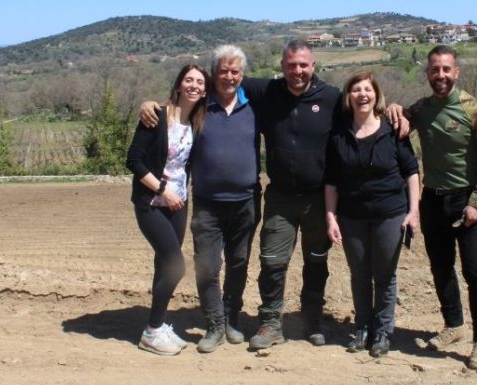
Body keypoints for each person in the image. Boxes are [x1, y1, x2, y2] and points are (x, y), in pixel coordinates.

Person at [387, 45, 477, 371]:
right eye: (435, 69)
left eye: (446, 69)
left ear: (457, 72)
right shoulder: (422, 109)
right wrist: (394, 108)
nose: (441, 75)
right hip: (433, 200)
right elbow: (399, 122)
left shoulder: (475, 110)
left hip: (466, 200)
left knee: (475, 272)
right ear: (427, 73)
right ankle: (454, 325)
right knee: (441, 269)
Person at [139, 46, 262, 353]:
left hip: (246, 201)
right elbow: (171, 111)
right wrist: (148, 105)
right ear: (213, 74)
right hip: (207, 203)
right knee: (207, 266)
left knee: (238, 263)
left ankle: (232, 317)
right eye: (223, 71)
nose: (229, 76)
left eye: (235, 71)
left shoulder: (256, 104)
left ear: (242, 75)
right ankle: (214, 324)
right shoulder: (200, 107)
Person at [241, 41, 345, 349]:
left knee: (316, 262)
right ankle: (271, 323)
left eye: (303, 65)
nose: (297, 71)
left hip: (318, 199)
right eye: (291, 65)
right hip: (281, 198)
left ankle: (312, 320)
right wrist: (163, 104)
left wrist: (395, 111)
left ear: (313, 66)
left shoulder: (331, 98)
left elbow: (367, 108)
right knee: (272, 261)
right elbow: (223, 78)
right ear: (282, 65)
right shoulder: (267, 92)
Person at [325, 71, 420, 358]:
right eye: (356, 90)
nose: (362, 94)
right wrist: (331, 217)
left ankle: (382, 331)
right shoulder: (339, 135)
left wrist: (413, 211)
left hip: (390, 213)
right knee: (359, 275)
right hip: (352, 216)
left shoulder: (392, 130)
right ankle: (362, 328)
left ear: (376, 95)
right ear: (348, 96)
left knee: (385, 275)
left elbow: (411, 172)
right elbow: (331, 180)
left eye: (367, 89)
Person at [125, 64, 208, 356]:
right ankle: (151, 331)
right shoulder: (156, 115)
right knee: (176, 265)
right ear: (179, 84)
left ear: (204, 90)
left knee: (163, 265)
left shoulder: (196, 123)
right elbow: (134, 161)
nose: (194, 85)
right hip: (152, 204)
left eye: (199, 81)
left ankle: (157, 327)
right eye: (189, 80)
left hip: (178, 205)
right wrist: (162, 190)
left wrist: (176, 196)